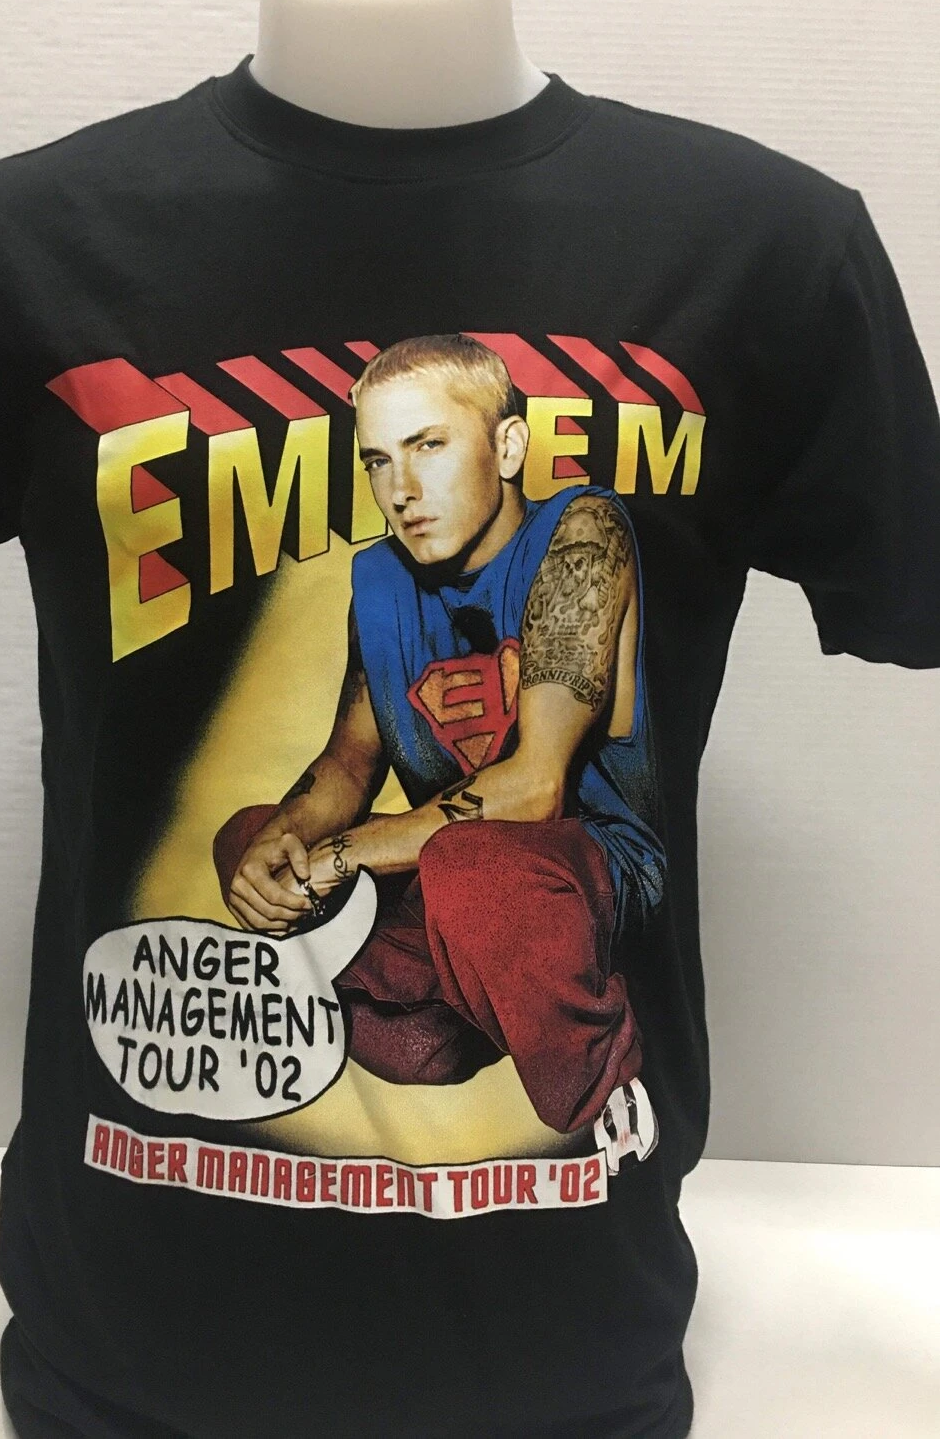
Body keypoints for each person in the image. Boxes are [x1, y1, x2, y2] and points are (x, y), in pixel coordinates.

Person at [212, 332, 667, 1169]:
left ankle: (603, 1086)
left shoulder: (579, 532)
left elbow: (533, 788)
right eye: (378, 461)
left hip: (579, 875)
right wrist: (282, 846)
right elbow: (347, 764)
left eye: (428, 447)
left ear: (507, 446)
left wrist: (339, 857)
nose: (403, 490)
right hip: (446, 887)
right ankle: (458, 1017)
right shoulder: (379, 581)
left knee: (473, 871)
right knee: (247, 837)